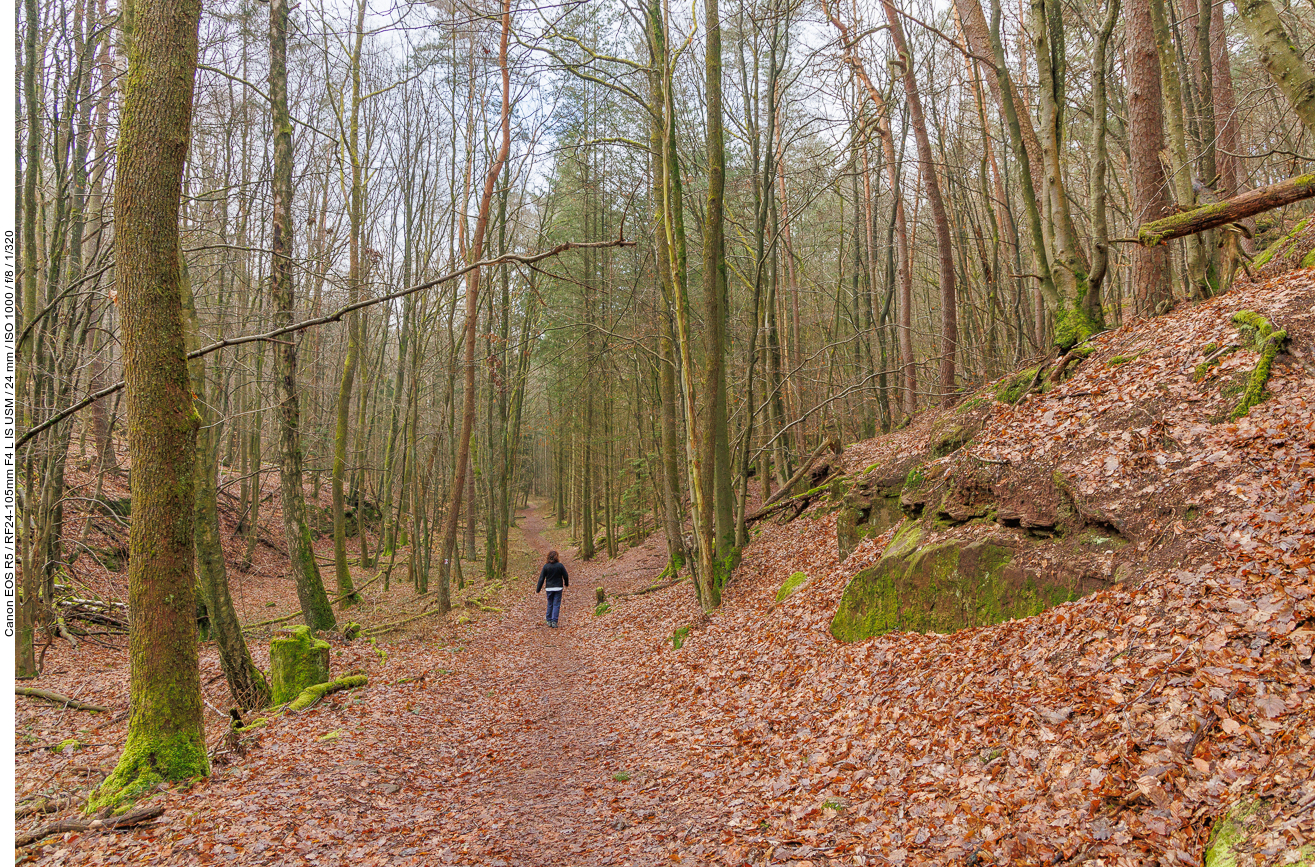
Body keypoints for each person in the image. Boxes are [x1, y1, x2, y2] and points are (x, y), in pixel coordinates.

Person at [535, 550, 569, 628]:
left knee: (550, 604)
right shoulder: (560, 566)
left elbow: (541, 578)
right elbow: (566, 575)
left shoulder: (546, 566)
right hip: (558, 587)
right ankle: (554, 621)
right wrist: (566, 584)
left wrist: (538, 589)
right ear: (557, 557)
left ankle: (549, 620)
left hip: (549, 588)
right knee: (556, 604)